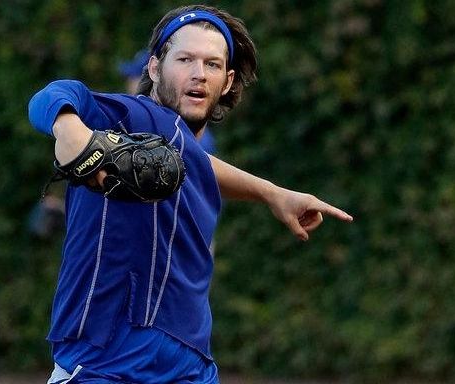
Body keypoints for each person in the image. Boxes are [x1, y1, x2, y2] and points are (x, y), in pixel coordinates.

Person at [28, 5, 353, 383]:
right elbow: (52, 95)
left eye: (212, 64)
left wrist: (271, 193)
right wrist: (68, 126)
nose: (199, 73)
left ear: (228, 81)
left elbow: (194, 163)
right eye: (185, 59)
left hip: (190, 365)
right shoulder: (129, 116)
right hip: (104, 366)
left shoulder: (186, 148)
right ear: (154, 69)